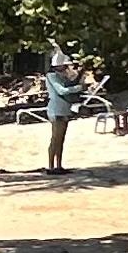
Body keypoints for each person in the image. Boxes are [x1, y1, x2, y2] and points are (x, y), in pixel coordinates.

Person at [42, 46, 80, 175]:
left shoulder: (62, 76)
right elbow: (61, 91)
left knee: (61, 139)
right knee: (55, 139)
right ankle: (51, 166)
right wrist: (78, 88)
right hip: (56, 110)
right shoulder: (52, 76)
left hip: (64, 109)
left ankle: (59, 165)